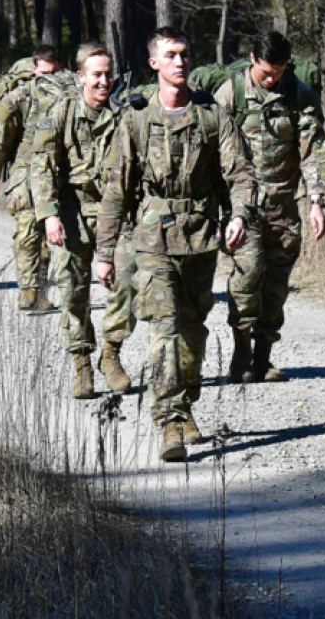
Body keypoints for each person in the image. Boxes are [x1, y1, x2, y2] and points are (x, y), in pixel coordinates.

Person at [95, 27, 257, 462]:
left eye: (184, 54)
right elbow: (116, 189)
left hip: (201, 236)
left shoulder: (212, 116)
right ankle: (169, 418)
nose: (180, 63)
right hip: (151, 239)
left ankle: (185, 400)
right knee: (164, 325)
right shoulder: (136, 117)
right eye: (170, 56)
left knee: (193, 329)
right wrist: (105, 253)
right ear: (154, 64)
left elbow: (240, 173)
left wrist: (239, 214)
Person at [214, 30, 325, 383]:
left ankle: (263, 357)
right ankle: (241, 354)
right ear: (252, 60)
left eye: (278, 72)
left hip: (283, 207)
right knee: (248, 277)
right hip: (243, 208)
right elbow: (212, 147)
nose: (271, 79)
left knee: (276, 288)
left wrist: (316, 201)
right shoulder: (231, 93)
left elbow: (311, 153)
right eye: (265, 72)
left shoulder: (298, 94)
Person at [32, 42, 133, 398]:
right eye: (97, 75)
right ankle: (82, 367)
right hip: (72, 211)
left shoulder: (125, 114)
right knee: (73, 293)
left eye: (108, 75)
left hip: (115, 214)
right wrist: (48, 216)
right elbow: (40, 165)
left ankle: (111, 354)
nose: (104, 82)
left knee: (126, 283)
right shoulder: (61, 113)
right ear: (80, 77)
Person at [0, 45, 73, 311]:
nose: (49, 80)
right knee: (26, 230)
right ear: (34, 70)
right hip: (25, 167)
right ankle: (29, 290)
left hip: (56, 170)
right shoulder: (22, 96)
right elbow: (2, 139)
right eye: (43, 73)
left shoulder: (70, 94)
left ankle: (40, 290)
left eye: (53, 73)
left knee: (48, 233)